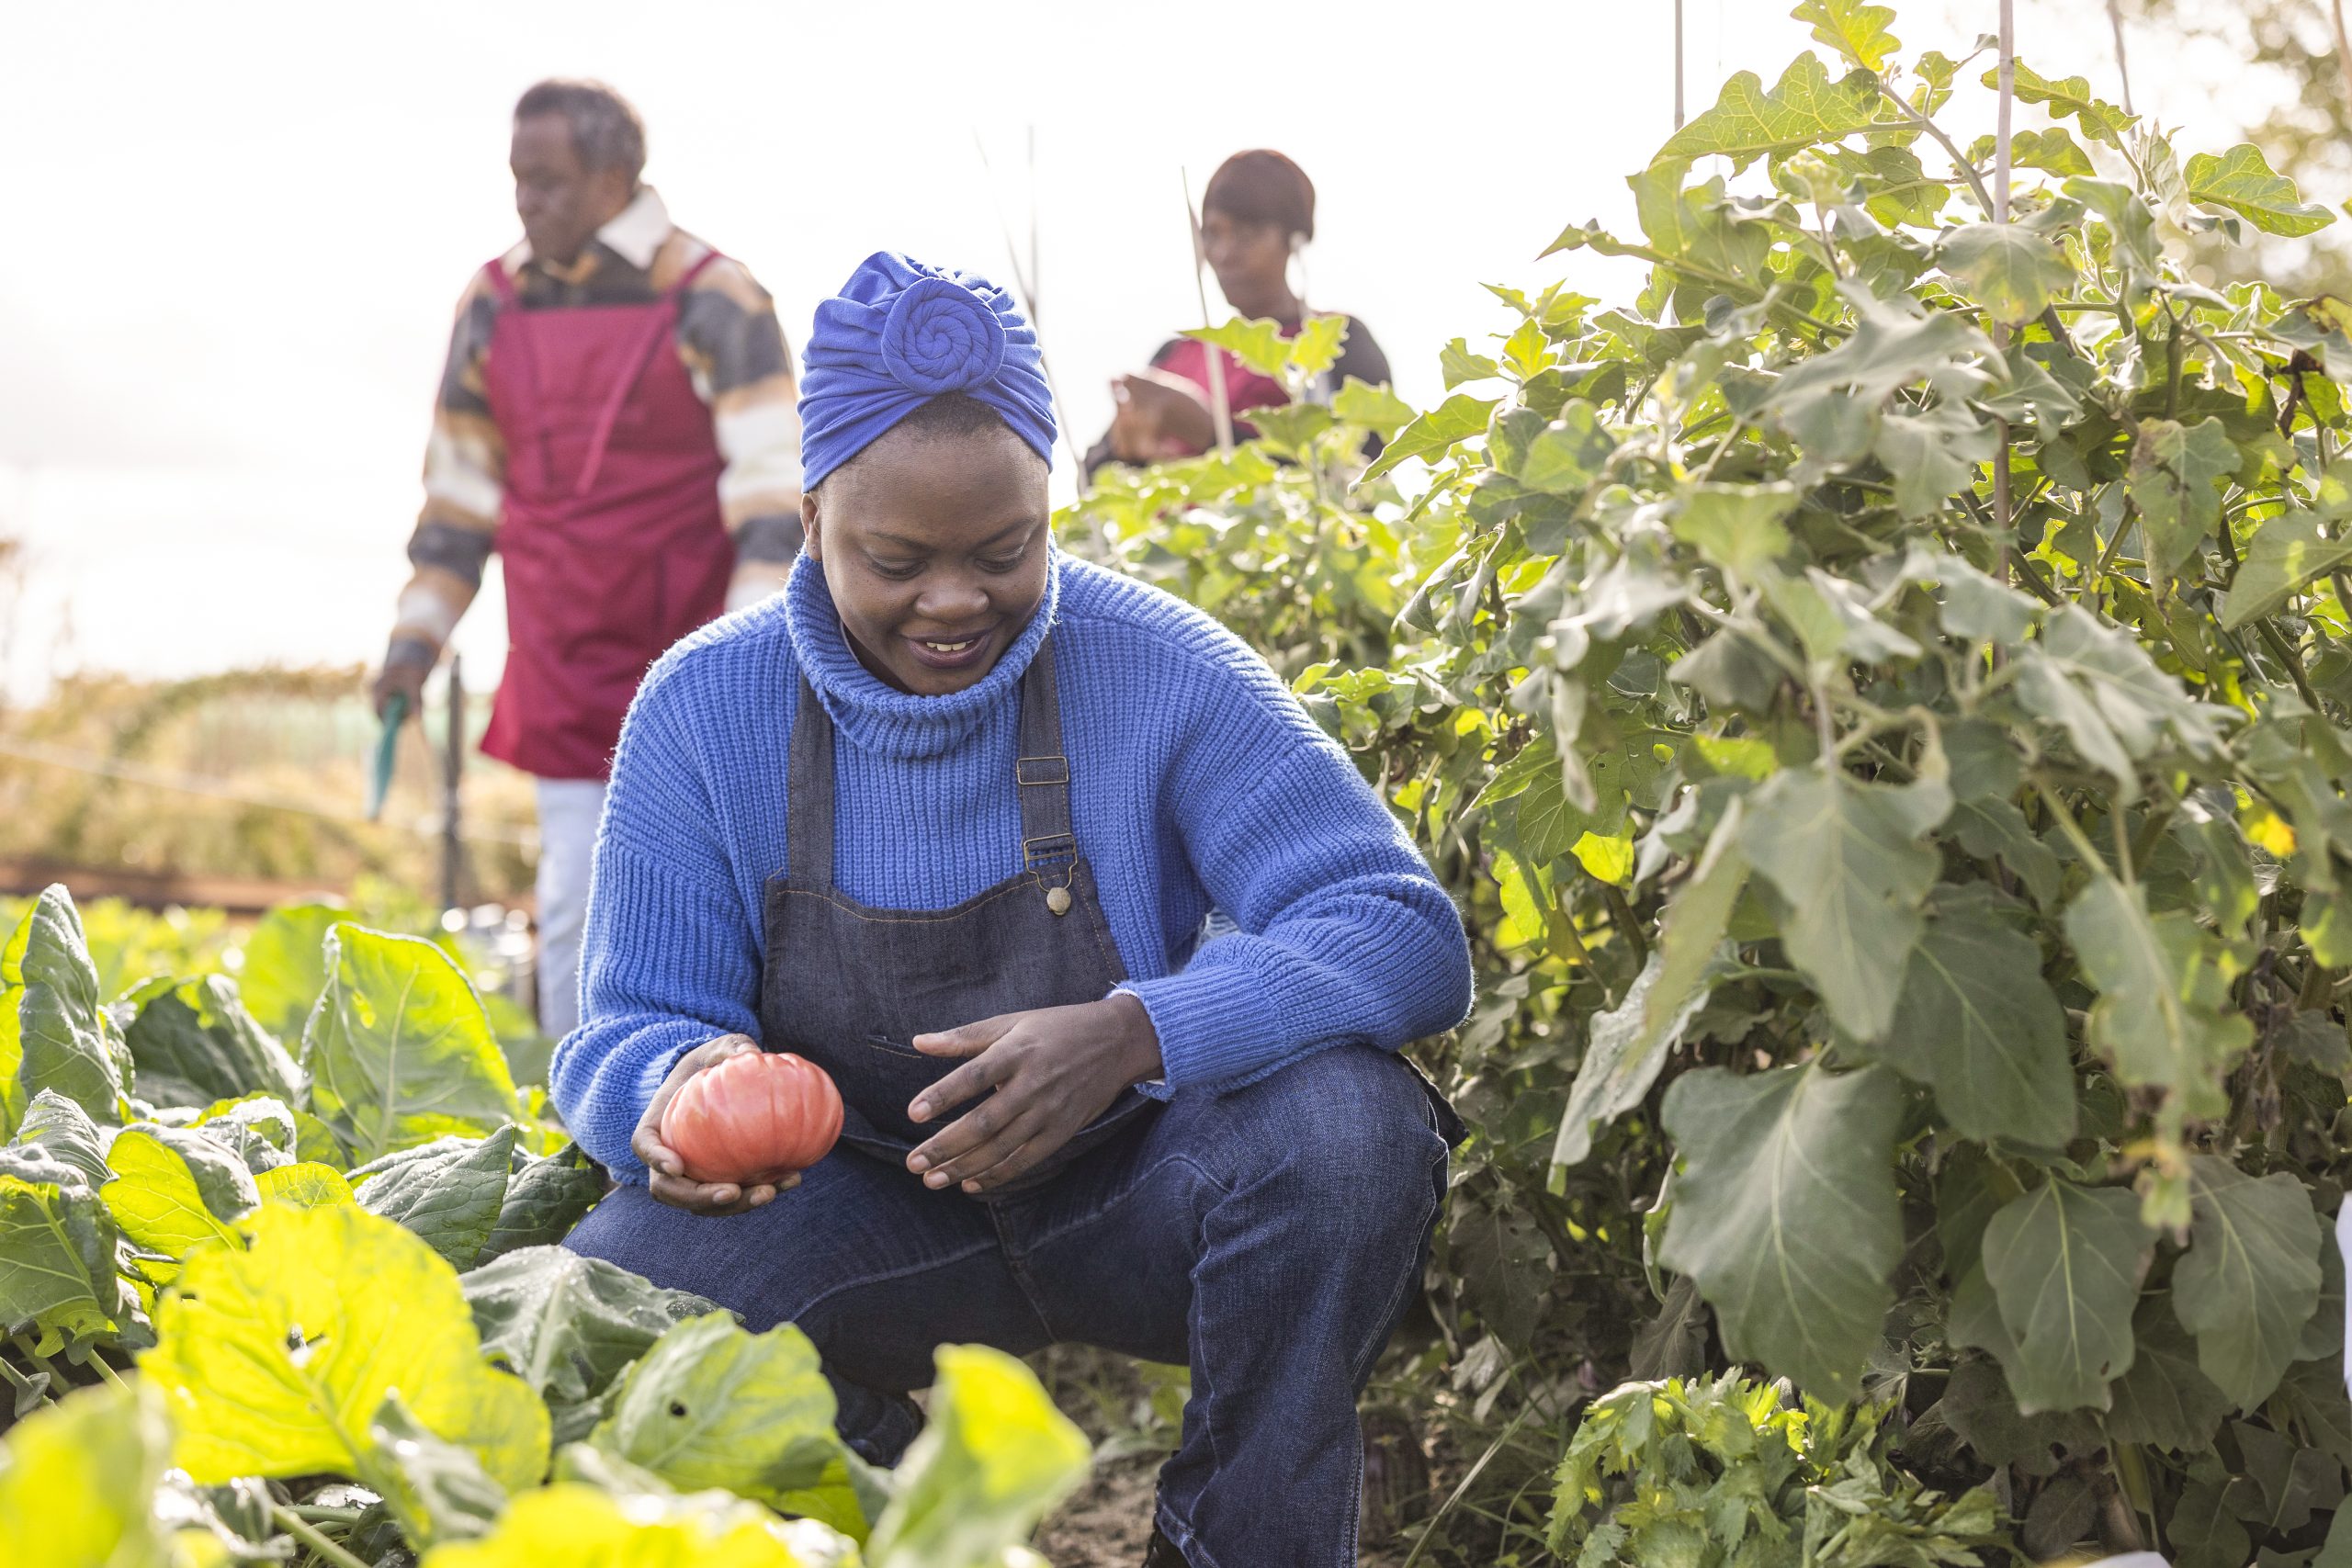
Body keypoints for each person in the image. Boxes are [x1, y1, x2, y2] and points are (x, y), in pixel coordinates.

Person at [555, 253, 1472, 1567]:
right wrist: (679, 1084)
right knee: (624, 1292)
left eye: (1004, 550)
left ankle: (1242, 1538)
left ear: (1051, 502)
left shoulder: (1158, 666)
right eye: (896, 558)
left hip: (1140, 1191)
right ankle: (878, 1495)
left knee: (1349, 1126)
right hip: (860, 1212)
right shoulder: (706, 710)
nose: (954, 601)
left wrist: (1133, 1030)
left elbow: (1398, 924)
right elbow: (626, 1022)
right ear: (810, 513)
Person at [370, 79, 803, 1039]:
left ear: (615, 177)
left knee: (722, 910)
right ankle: (590, 1140)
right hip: (563, 662)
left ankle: (727, 1120)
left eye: (550, 182)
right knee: (573, 904)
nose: (528, 202)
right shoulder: (492, 302)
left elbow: (775, 506)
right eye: (519, 181)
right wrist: (416, 637)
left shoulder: (714, 298)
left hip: (696, 673)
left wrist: (742, 663)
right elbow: (458, 499)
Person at [1086, 149, 1392, 474]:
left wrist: (1212, 433)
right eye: (1213, 234)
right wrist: (1126, 448)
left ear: (1294, 239)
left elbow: (1362, 481)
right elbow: (1091, 483)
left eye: (1247, 235)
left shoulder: (1333, 341)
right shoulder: (1176, 356)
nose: (1224, 253)